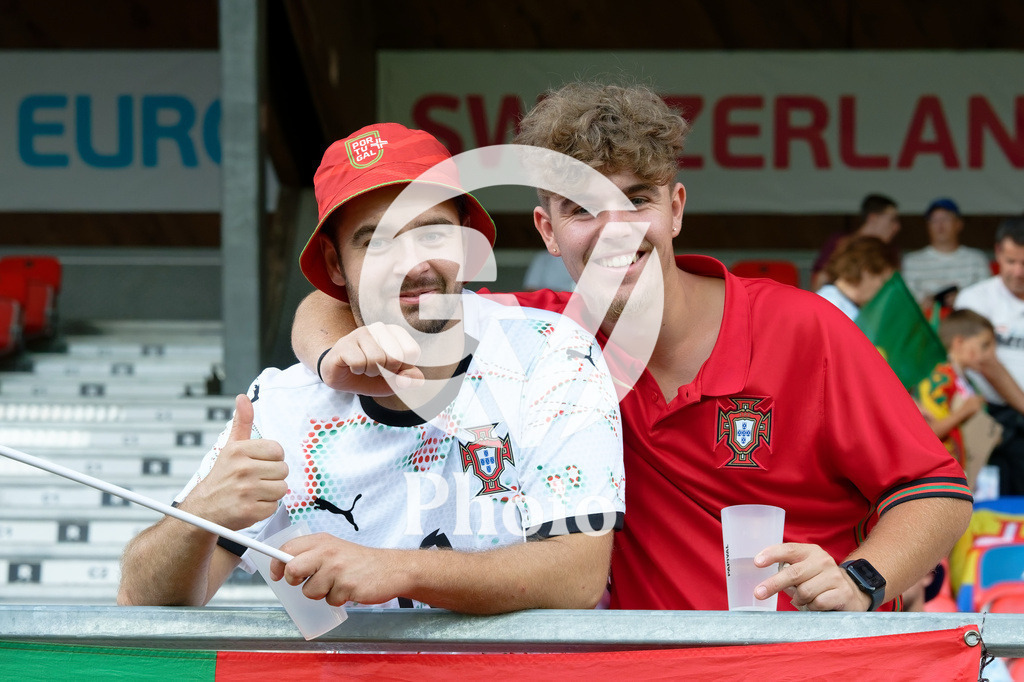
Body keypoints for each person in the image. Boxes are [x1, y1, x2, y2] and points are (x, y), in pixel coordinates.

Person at [292, 83, 973, 612]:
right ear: (547, 230)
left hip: (807, 664)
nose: (617, 229)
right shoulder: (543, 337)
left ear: (676, 208)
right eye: (583, 208)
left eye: (638, 198)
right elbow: (335, 297)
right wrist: (332, 360)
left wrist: (861, 578)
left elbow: (935, 490)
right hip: (651, 664)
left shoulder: (802, 328)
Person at [117, 123, 625, 613]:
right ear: (336, 265)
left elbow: (577, 575)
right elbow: (140, 601)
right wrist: (202, 514)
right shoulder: (283, 405)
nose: (413, 265)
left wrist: (397, 571)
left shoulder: (550, 354)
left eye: (431, 233)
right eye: (376, 242)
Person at [955, 216, 1024, 495]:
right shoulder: (975, 299)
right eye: (1011, 261)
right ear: (997, 253)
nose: (1018, 272)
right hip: (988, 419)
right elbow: (984, 361)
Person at [917, 310, 995, 485]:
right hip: (936, 476)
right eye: (985, 345)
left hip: (957, 472)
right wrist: (964, 412)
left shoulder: (966, 380)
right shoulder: (939, 379)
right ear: (959, 342)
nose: (990, 354)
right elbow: (927, 433)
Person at [901, 198, 991, 309]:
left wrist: (963, 300)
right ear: (927, 226)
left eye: (946, 219)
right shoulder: (911, 261)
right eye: (934, 220)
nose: (940, 225)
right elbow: (904, 304)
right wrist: (923, 304)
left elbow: (988, 300)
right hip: (925, 323)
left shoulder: (977, 260)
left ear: (959, 224)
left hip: (965, 323)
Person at [810, 193, 901, 290]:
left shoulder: (890, 251)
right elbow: (819, 279)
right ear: (873, 217)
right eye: (892, 220)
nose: (897, 227)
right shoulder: (840, 242)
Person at [815, 236, 899, 320]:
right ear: (867, 271)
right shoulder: (833, 307)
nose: (885, 291)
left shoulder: (832, 301)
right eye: (883, 281)